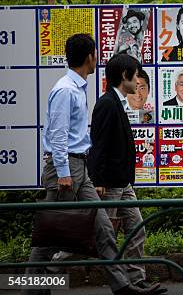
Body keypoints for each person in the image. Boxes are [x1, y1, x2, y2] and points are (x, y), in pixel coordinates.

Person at [26, 34, 162, 295]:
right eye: (95, 53)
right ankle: (31, 290)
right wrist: (65, 173)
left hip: (80, 168)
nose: (97, 58)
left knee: (102, 229)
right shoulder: (66, 90)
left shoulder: (78, 88)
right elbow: (58, 135)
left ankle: (123, 286)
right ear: (89, 57)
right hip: (64, 169)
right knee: (48, 236)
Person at [88, 54, 167, 294]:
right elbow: (98, 144)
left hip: (123, 184)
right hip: (109, 184)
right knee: (92, 236)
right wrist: (99, 180)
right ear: (125, 76)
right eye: (135, 75)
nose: (137, 80)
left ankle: (135, 279)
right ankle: (48, 270)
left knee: (136, 228)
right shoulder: (107, 104)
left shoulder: (117, 101)